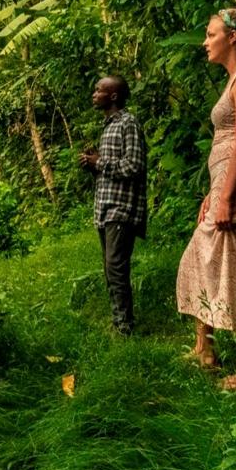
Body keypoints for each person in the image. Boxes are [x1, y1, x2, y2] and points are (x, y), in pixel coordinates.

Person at [176, 9, 236, 389]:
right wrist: (212, 194)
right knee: (202, 255)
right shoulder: (234, 78)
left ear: (232, 37)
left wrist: (227, 197)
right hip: (223, 182)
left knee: (232, 261)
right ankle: (205, 347)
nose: (205, 41)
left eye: (211, 34)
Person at [79, 75, 148, 336]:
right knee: (110, 268)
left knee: (116, 267)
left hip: (122, 208)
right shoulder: (107, 126)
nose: (94, 94)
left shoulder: (127, 124)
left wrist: (100, 163)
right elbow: (110, 171)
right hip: (105, 208)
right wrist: (92, 165)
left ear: (114, 96)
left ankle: (124, 326)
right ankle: (118, 320)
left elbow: (134, 165)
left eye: (99, 90)